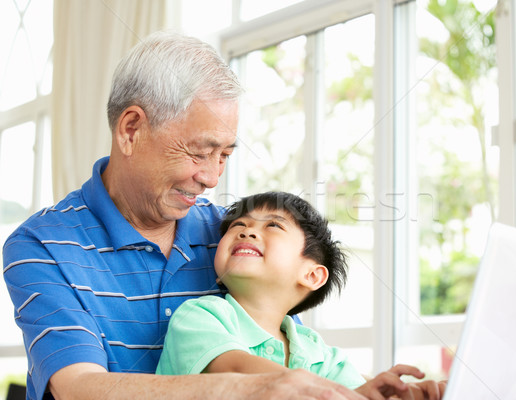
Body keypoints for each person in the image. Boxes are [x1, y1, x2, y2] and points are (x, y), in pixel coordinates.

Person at [2, 31, 441, 400]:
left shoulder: (232, 236)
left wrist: (358, 393)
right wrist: (249, 388)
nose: (211, 178)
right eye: (199, 152)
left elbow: (285, 358)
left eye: (225, 155)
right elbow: (79, 386)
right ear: (131, 130)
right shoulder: (41, 245)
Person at [156, 192, 445, 399]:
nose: (247, 232)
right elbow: (234, 370)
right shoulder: (200, 317)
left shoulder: (318, 354)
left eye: (273, 225)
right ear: (218, 272)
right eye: (238, 226)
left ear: (311, 276)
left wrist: (401, 393)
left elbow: (352, 393)